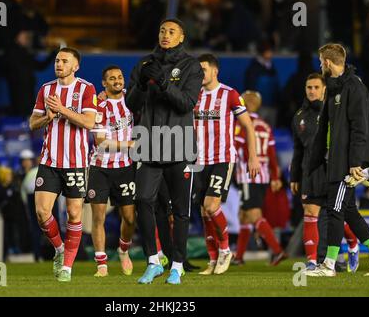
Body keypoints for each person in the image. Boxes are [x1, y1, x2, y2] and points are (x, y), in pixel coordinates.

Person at [125, 18, 204, 285]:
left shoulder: (191, 66)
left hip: (179, 145)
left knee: (181, 210)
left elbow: (186, 104)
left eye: (171, 32)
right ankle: (153, 261)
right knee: (143, 201)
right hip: (148, 144)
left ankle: (178, 265)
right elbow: (131, 104)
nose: (165, 35)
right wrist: (141, 84)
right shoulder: (145, 63)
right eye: (162, 30)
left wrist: (163, 83)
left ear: (181, 37)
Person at [306, 43, 369, 277]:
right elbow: (324, 130)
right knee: (348, 212)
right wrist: (313, 163)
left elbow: (361, 128)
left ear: (327, 63)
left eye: (320, 62)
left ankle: (328, 266)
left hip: (348, 164)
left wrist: (357, 162)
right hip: (334, 161)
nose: (320, 66)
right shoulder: (335, 89)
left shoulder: (354, 87)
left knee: (334, 210)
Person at [29, 47, 97, 282]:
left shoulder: (86, 89)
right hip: (49, 161)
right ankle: (59, 249)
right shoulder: (46, 89)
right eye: (57, 60)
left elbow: (89, 122)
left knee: (74, 213)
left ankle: (67, 267)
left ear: (75, 66)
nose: (59, 64)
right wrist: (47, 117)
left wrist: (62, 110)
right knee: (41, 212)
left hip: (76, 162)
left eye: (64, 61)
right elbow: (32, 123)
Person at [193, 55, 260, 276]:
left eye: (203, 69)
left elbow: (248, 127)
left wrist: (253, 156)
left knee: (212, 205)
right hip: (199, 161)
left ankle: (225, 250)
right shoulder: (194, 94)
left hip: (222, 158)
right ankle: (212, 260)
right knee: (204, 211)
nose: (199, 73)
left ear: (215, 71)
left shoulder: (229, 94)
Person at [290, 73, 359, 272]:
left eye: (316, 87)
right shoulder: (299, 116)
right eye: (309, 87)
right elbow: (297, 149)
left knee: (337, 214)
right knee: (310, 213)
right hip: (310, 172)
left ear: (324, 89)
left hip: (332, 170)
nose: (312, 91)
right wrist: (294, 176)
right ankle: (312, 262)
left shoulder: (333, 111)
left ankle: (353, 244)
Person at [87, 65, 135, 277]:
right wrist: (130, 145)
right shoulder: (99, 106)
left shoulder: (132, 98)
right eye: (112, 78)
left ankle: (123, 250)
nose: (117, 80)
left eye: (120, 77)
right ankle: (102, 264)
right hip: (100, 168)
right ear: (104, 83)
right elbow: (100, 142)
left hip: (125, 168)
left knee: (130, 218)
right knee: (98, 218)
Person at [232, 90, 286, 267]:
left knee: (254, 214)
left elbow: (237, 147)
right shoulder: (265, 126)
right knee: (244, 216)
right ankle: (239, 257)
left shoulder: (242, 124)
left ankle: (278, 251)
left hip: (248, 175)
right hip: (263, 176)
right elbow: (272, 154)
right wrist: (275, 176)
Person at [3, 29, 57, 116]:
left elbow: (39, 66)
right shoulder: (10, 52)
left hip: (28, 88)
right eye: (24, 36)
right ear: (17, 37)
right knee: (20, 111)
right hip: (18, 89)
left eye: (27, 37)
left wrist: (52, 55)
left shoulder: (26, 53)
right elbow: (6, 68)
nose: (27, 39)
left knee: (29, 112)